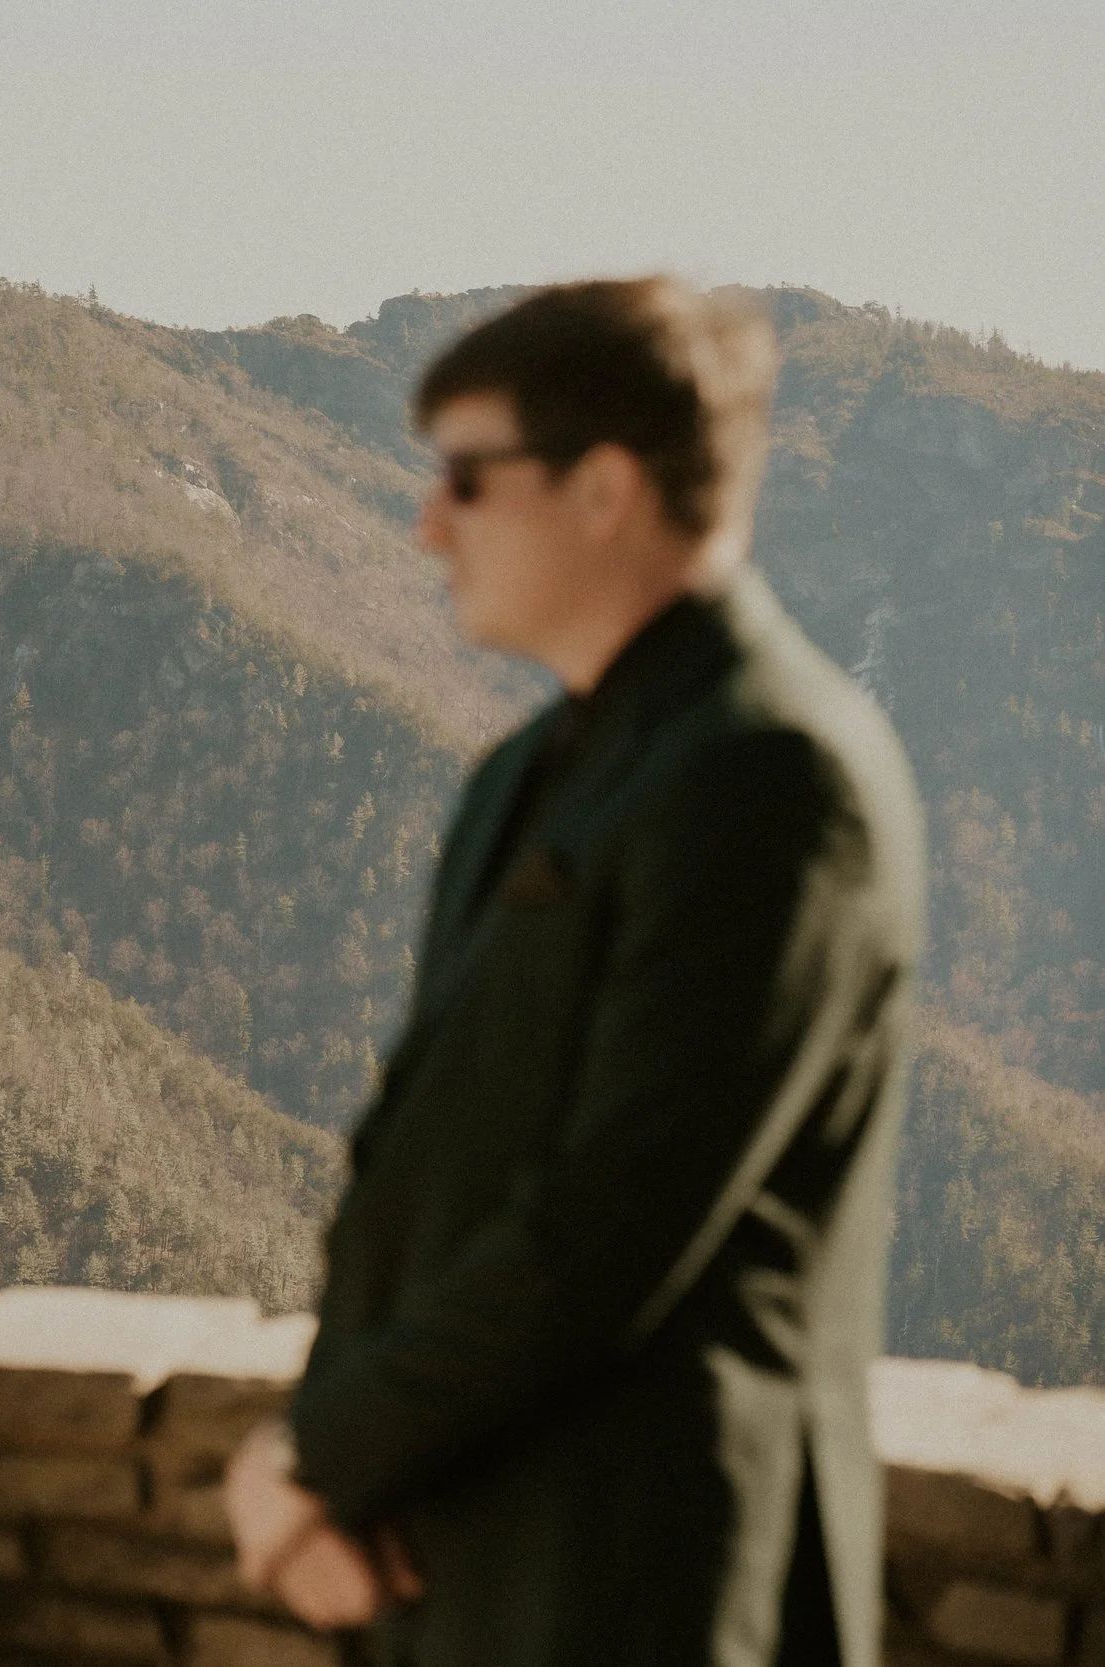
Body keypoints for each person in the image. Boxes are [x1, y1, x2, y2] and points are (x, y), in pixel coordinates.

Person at [224, 279, 925, 1667]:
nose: (425, 521)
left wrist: (318, 1456)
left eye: (468, 479)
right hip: (459, 1564)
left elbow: (611, 1218)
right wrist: (342, 1476)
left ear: (606, 488)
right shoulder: (521, 778)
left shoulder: (780, 773)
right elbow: (429, 1167)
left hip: (648, 1585)